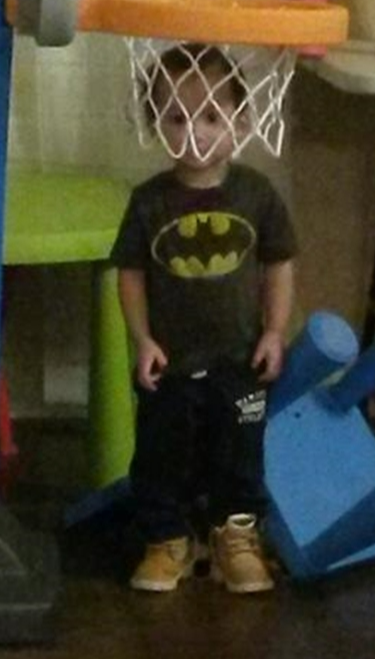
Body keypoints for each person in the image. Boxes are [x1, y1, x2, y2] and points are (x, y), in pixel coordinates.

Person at [111, 44, 296, 593]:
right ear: (155, 124)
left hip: (238, 358)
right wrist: (142, 339)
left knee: (241, 456)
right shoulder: (148, 202)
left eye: (211, 116)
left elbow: (279, 264)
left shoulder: (256, 195)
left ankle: (235, 537)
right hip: (170, 361)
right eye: (176, 117)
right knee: (161, 454)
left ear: (241, 121)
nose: (193, 131)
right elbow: (130, 274)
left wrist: (274, 330)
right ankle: (167, 538)